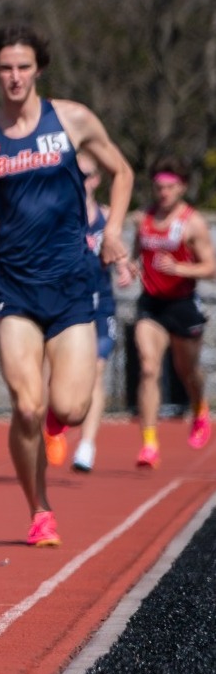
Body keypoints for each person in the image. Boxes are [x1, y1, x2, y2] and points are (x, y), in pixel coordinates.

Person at [0, 24, 133, 550]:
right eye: (5, 68)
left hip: (72, 283)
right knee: (25, 406)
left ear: (38, 69)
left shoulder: (71, 119)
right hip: (16, 288)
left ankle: (55, 422)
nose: (15, 77)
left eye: (23, 67)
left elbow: (122, 172)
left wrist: (113, 231)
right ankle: (40, 511)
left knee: (69, 409)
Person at [0, 154, 132, 473]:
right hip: (67, 301)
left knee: (96, 371)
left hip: (99, 303)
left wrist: (124, 267)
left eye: (86, 175)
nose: (80, 180)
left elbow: (118, 251)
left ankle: (87, 446)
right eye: (73, 173)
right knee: (52, 373)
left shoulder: (106, 217)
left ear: (96, 180)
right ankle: (53, 421)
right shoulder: (52, 213)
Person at [131, 156, 213, 467]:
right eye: (159, 187)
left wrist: (179, 268)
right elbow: (136, 255)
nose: (163, 193)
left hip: (182, 304)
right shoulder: (144, 219)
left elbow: (211, 268)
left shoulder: (192, 222)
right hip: (151, 304)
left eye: (170, 187)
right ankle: (149, 443)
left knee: (187, 371)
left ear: (182, 188)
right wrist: (128, 268)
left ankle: (199, 407)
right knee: (148, 368)